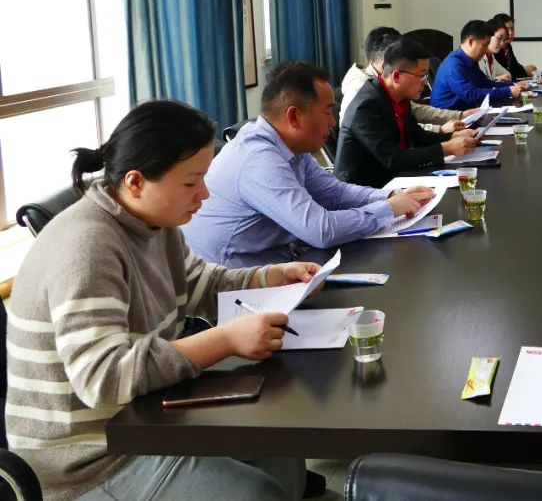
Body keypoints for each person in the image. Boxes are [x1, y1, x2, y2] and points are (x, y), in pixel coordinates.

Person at [6, 100, 313, 500]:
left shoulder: (154, 223)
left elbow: (200, 284)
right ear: (136, 182)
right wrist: (225, 340)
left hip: (145, 416)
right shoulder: (87, 246)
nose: (204, 193)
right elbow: (104, 378)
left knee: (278, 441)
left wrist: (269, 277)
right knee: (256, 494)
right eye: (191, 183)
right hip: (87, 461)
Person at [183, 61, 433, 267]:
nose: (332, 122)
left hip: (281, 262)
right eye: (327, 112)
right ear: (294, 116)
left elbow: (334, 193)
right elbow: (320, 230)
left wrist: (390, 196)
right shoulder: (258, 160)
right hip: (240, 289)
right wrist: (387, 209)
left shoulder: (290, 146)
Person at [336, 38, 479, 186]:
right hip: (366, 190)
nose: (426, 82)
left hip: (395, 178)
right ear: (397, 76)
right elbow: (393, 159)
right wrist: (446, 149)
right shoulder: (366, 107)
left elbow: (417, 136)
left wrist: (453, 136)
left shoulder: (399, 97)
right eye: (422, 75)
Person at [340, 26, 473, 132]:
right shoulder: (361, 91)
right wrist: (441, 130)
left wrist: (460, 115)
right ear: (387, 62)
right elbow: (394, 137)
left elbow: (414, 111)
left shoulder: (384, 84)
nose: (425, 82)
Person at [430, 20, 530, 110]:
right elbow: (472, 95)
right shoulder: (454, 64)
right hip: (448, 118)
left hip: (465, 112)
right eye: (485, 45)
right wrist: (508, 91)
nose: (487, 50)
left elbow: (485, 83)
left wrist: (513, 85)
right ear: (471, 41)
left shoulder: (471, 60)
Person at [491, 12, 536, 79]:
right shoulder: (496, 49)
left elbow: (515, 65)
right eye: (506, 29)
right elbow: (506, 72)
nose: (510, 33)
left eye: (512, 29)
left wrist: (524, 70)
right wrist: (525, 70)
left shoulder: (508, 46)